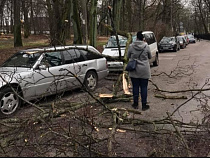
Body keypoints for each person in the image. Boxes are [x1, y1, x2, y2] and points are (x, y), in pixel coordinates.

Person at [127, 31, 152, 110]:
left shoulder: (131, 46)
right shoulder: (146, 46)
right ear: (143, 38)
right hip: (144, 69)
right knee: (144, 87)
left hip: (134, 69)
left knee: (135, 87)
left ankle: (135, 104)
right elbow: (150, 56)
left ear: (136, 38)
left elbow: (128, 56)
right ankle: (144, 105)